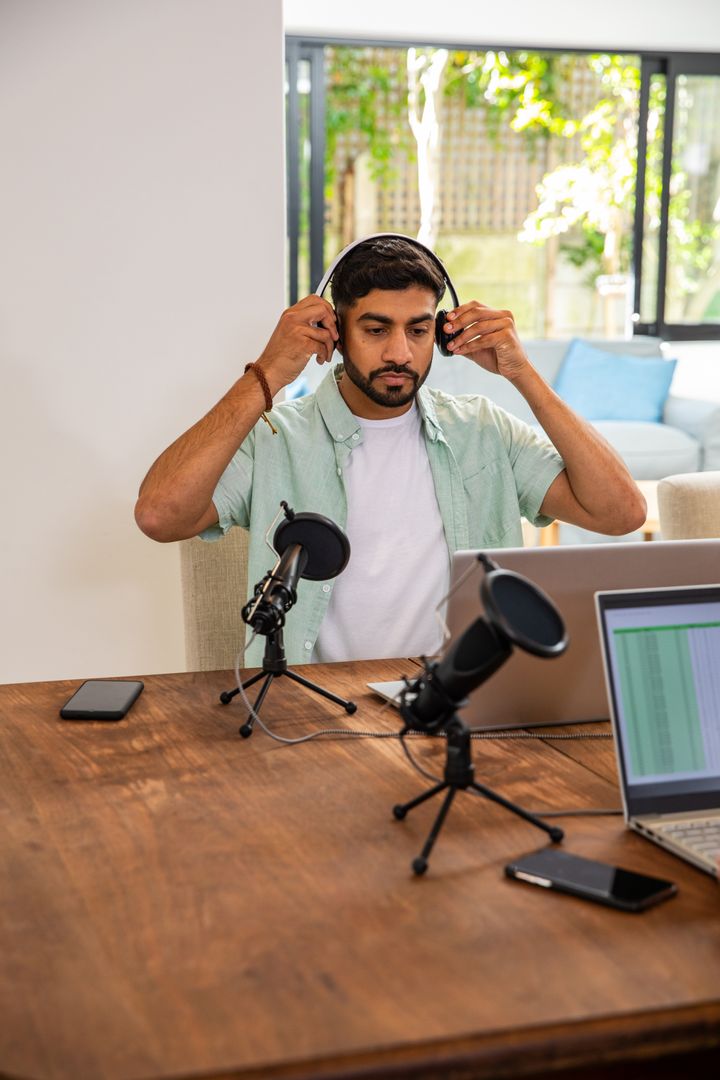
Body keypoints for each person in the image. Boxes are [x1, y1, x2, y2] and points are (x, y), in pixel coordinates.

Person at [135, 235, 645, 667]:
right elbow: (160, 515)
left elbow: (621, 513)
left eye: (419, 330)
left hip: (452, 705)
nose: (400, 353)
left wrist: (523, 374)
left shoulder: (483, 431)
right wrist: (268, 372)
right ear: (334, 334)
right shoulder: (275, 437)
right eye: (376, 330)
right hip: (313, 715)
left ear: (443, 335)